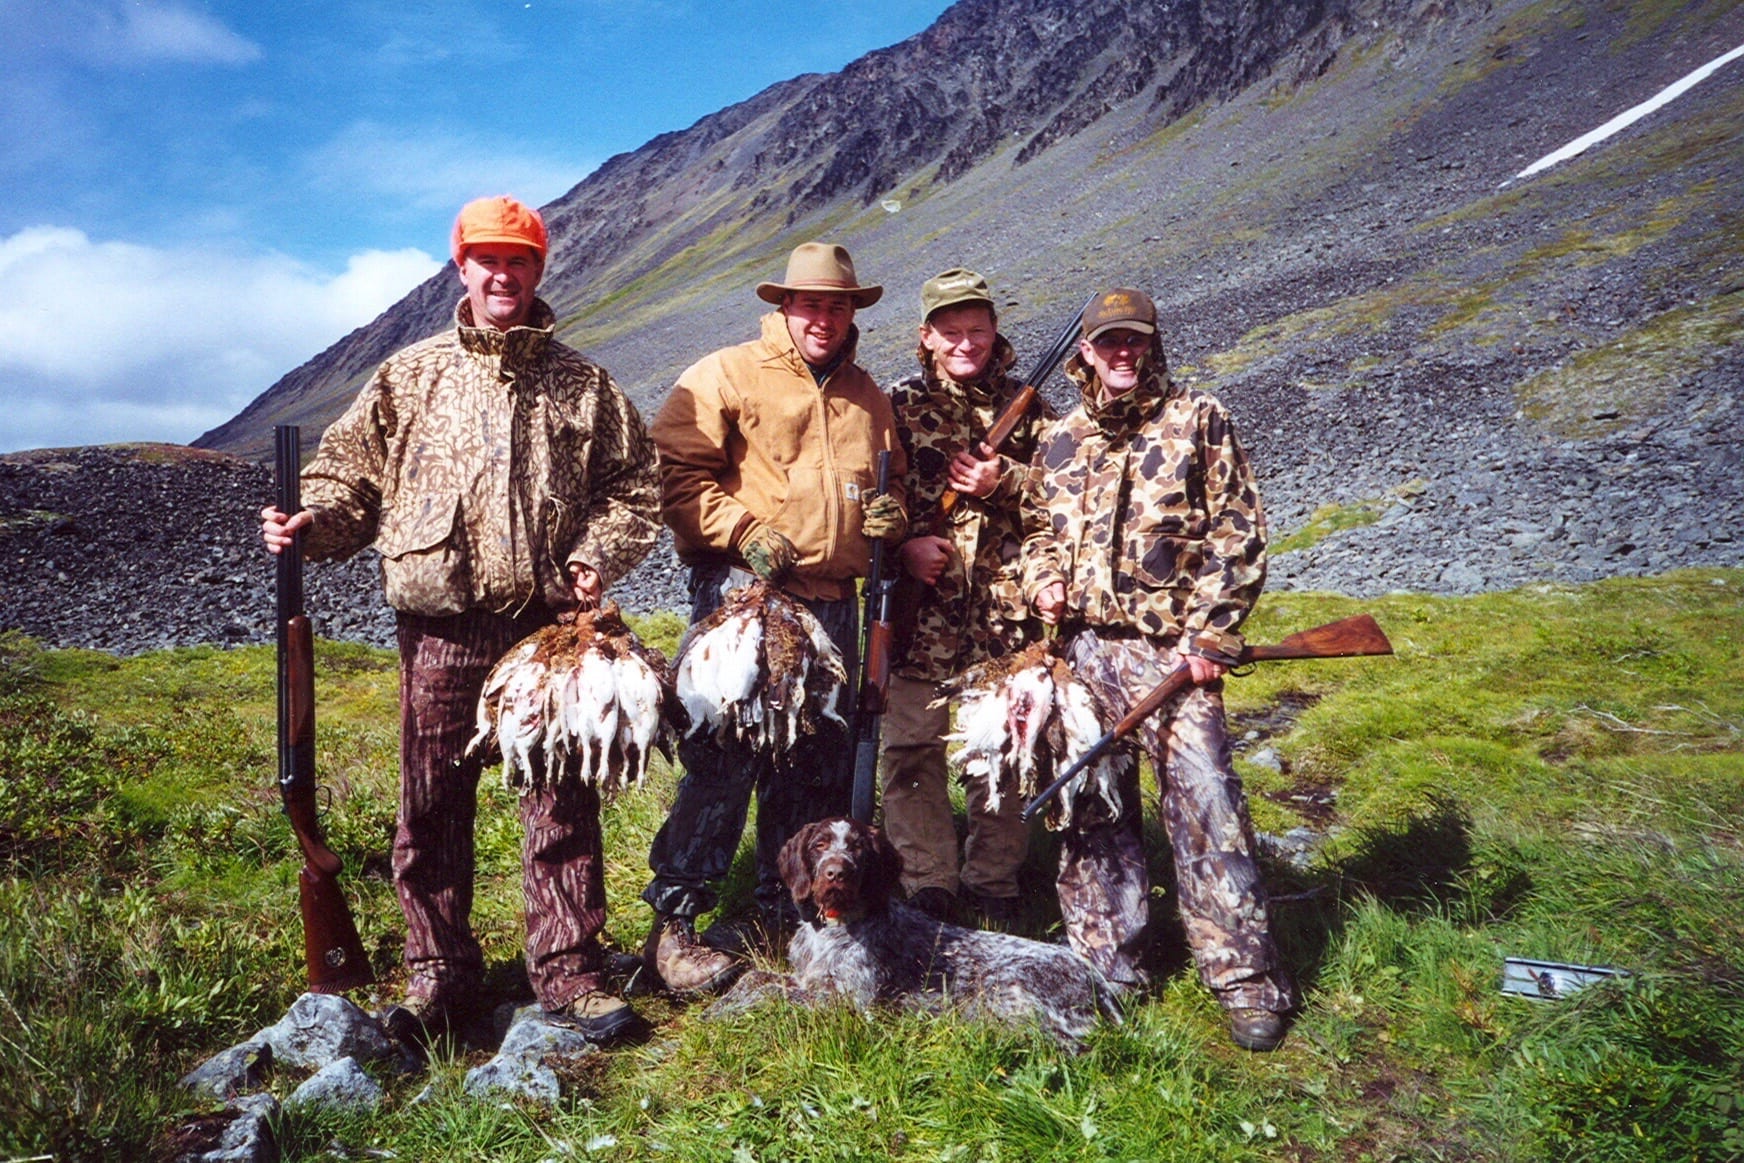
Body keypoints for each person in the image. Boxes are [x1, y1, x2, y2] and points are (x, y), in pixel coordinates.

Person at [259, 195, 661, 1046]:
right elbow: (346, 482)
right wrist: (309, 522)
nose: (502, 273)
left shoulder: (585, 386)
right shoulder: (409, 376)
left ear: (537, 270)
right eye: (487, 258)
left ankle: (569, 971)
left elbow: (634, 487)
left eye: (519, 259)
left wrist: (593, 555)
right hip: (438, 629)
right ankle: (439, 974)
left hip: (546, 636)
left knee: (560, 803)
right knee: (432, 805)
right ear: (461, 267)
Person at [1020, 287, 1295, 1051]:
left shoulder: (1197, 418)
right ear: (1084, 349)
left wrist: (1209, 637)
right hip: (1082, 653)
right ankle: (1109, 966)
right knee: (1093, 811)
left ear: (1152, 342)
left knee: (1206, 802)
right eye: (1107, 340)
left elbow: (1238, 533)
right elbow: (1037, 530)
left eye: (1134, 339)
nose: (1121, 352)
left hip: (1171, 654)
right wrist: (1042, 577)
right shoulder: (1061, 438)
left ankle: (1244, 979)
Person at [641, 241, 908, 995]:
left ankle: (779, 908)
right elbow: (677, 473)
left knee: (813, 766)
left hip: (834, 602)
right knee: (723, 759)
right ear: (782, 306)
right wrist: (741, 528)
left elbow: (894, 491)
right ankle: (677, 923)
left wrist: (896, 513)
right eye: (810, 303)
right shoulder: (725, 373)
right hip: (747, 597)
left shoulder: (869, 397)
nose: (824, 317)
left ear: (853, 311)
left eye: (838, 304)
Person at [881, 268, 1054, 926]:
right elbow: (875, 496)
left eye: (976, 330)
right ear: (926, 337)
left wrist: (1003, 479)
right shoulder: (891, 404)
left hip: (1001, 616)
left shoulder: (1030, 406)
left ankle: (993, 881)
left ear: (993, 330)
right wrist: (903, 548)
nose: (965, 343)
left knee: (1001, 748)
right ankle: (929, 880)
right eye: (949, 332)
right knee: (912, 749)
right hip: (919, 612)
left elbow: (1069, 498)